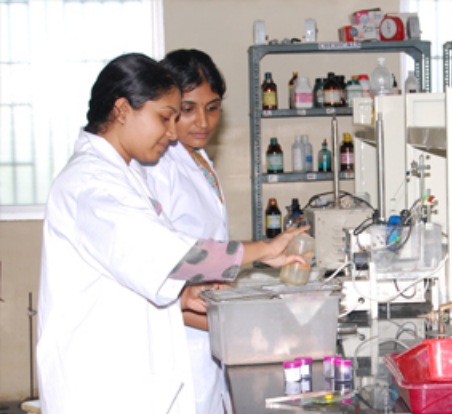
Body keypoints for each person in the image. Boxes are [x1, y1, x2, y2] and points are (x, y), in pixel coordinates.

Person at [37, 53, 307, 414]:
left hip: (134, 372)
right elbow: (169, 254)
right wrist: (262, 250)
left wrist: (183, 296)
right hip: (101, 383)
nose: (171, 131)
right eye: (165, 117)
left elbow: (126, 272)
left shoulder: (123, 175)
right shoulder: (91, 184)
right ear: (122, 110)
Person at [144, 48, 230, 413]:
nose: (203, 121)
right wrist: (235, 329)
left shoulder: (199, 158)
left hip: (206, 332)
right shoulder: (159, 165)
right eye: (188, 108)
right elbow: (158, 279)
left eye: (213, 107)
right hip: (180, 341)